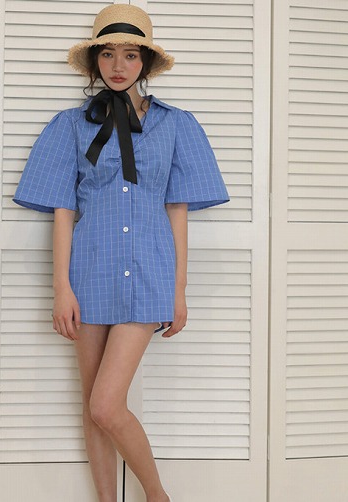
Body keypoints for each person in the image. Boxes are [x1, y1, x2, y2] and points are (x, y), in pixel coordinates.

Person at [13, 4, 229, 501]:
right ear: (95, 61)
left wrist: (178, 291)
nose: (118, 65)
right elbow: (63, 210)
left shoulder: (176, 125)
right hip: (89, 274)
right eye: (108, 54)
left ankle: (158, 496)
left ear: (145, 63)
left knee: (107, 404)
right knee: (93, 407)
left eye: (130, 55)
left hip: (149, 274)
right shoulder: (70, 125)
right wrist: (61, 288)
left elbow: (178, 210)